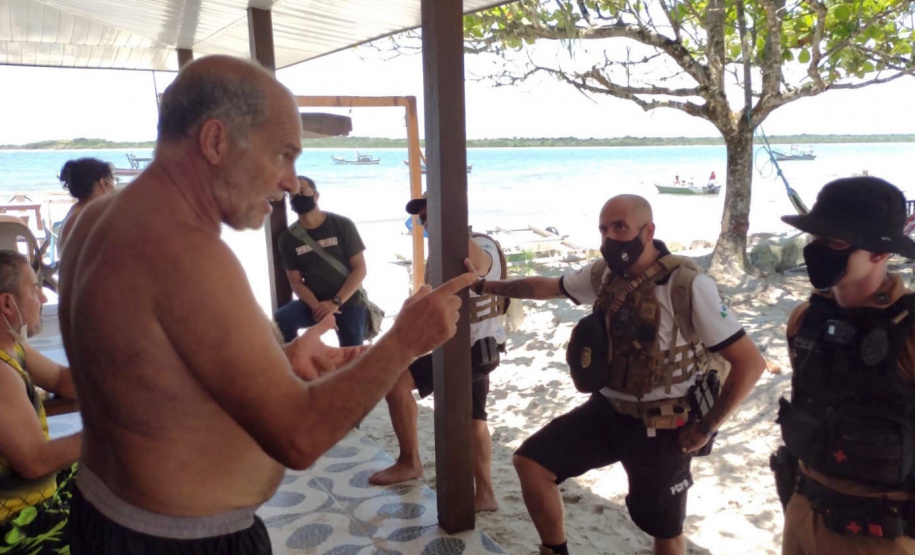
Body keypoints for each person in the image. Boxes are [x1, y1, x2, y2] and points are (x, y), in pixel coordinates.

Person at [58, 55, 476, 554]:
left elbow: (152, 377)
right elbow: (298, 438)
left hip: (105, 512)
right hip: (181, 541)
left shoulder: (95, 221)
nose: (292, 183)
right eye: (282, 155)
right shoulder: (187, 255)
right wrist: (405, 341)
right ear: (216, 141)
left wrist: (282, 362)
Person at [470, 194, 766, 555]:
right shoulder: (604, 275)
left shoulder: (686, 285)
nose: (610, 237)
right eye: (603, 229)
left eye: (620, 227)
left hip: (663, 424)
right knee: (532, 463)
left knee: (664, 527)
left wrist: (707, 427)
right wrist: (484, 286)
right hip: (608, 410)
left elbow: (750, 363)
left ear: (648, 231)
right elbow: (547, 287)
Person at [777, 177, 915, 555]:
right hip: (802, 512)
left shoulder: (908, 331)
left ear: (880, 252)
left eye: (836, 243)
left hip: (878, 534)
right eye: (816, 239)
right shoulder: (805, 319)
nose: (818, 252)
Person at [367, 195, 508, 512]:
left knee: (396, 383)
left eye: (431, 215)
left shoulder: (480, 246)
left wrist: (450, 223)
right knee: (475, 420)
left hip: (471, 351)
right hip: (472, 348)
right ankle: (486, 494)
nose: (427, 223)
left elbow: (480, 266)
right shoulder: (445, 252)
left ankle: (410, 462)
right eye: (423, 219)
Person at [0, 250, 80, 553]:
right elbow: (34, 462)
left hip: (39, 496)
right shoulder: (1, 374)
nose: (43, 298)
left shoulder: (13, 348)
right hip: (18, 526)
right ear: (7, 304)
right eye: (35, 289)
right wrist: (112, 435)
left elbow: (61, 380)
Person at [273, 176, 367, 346]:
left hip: (348, 299)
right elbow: (296, 282)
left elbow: (360, 269)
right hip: (313, 303)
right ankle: (296, 358)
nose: (297, 197)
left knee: (352, 351)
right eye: (292, 195)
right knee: (282, 320)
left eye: (302, 192)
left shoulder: (342, 225)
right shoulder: (288, 238)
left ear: (316, 196)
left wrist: (335, 302)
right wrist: (318, 308)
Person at [57, 158, 116, 249]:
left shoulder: (77, 211)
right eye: (112, 180)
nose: (114, 187)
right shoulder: (84, 218)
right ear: (102, 183)